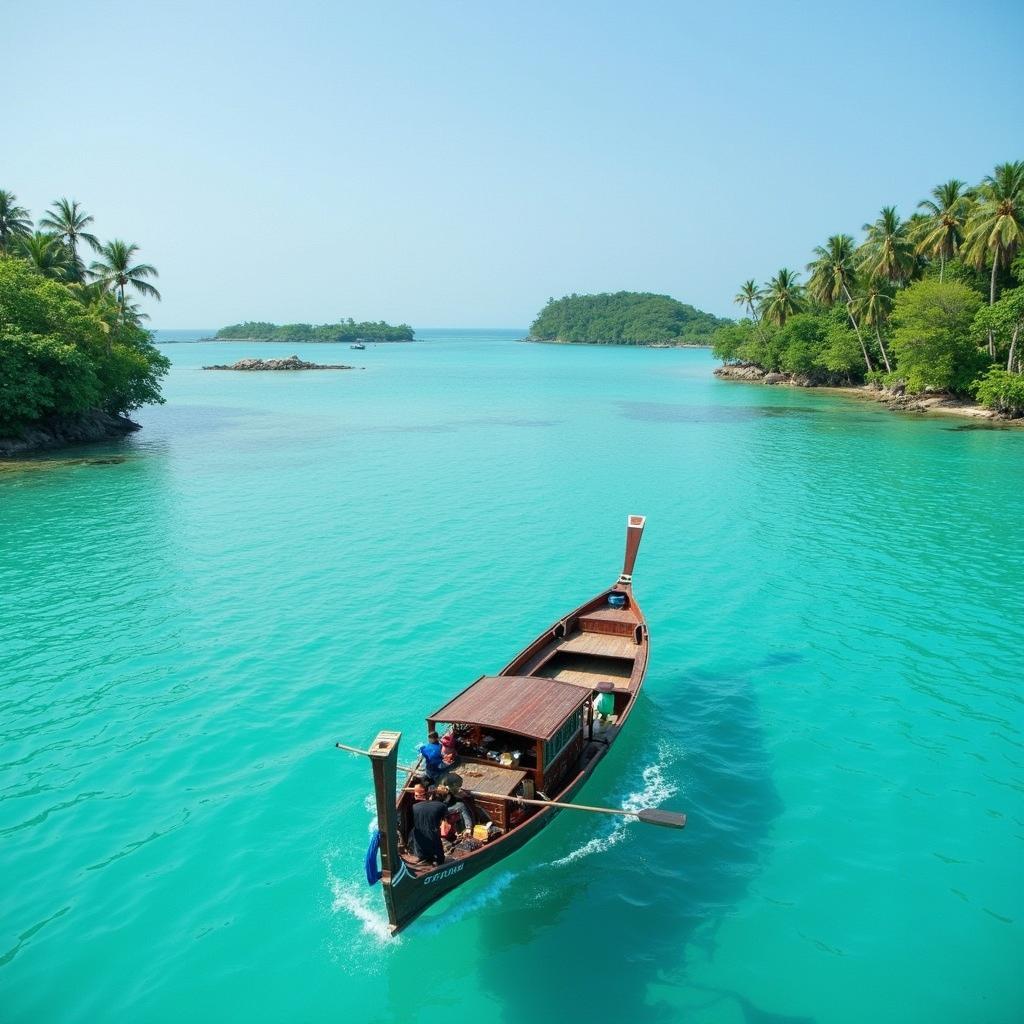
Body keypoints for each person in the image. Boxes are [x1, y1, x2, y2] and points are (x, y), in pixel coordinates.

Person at [409, 783, 447, 865]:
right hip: (435, 842)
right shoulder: (442, 806)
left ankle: (423, 857)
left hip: (419, 843)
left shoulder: (414, 807)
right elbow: (446, 822)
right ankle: (438, 861)